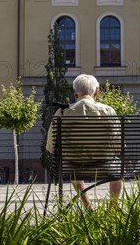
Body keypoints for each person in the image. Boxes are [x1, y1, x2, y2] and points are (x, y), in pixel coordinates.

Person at [46, 73, 122, 210]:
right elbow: (118, 147)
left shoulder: (62, 112)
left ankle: (88, 206)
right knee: (117, 171)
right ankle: (112, 210)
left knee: (71, 166)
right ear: (96, 92)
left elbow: (52, 147)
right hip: (104, 166)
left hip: (73, 166)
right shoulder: (108, 111)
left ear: (75, 95)